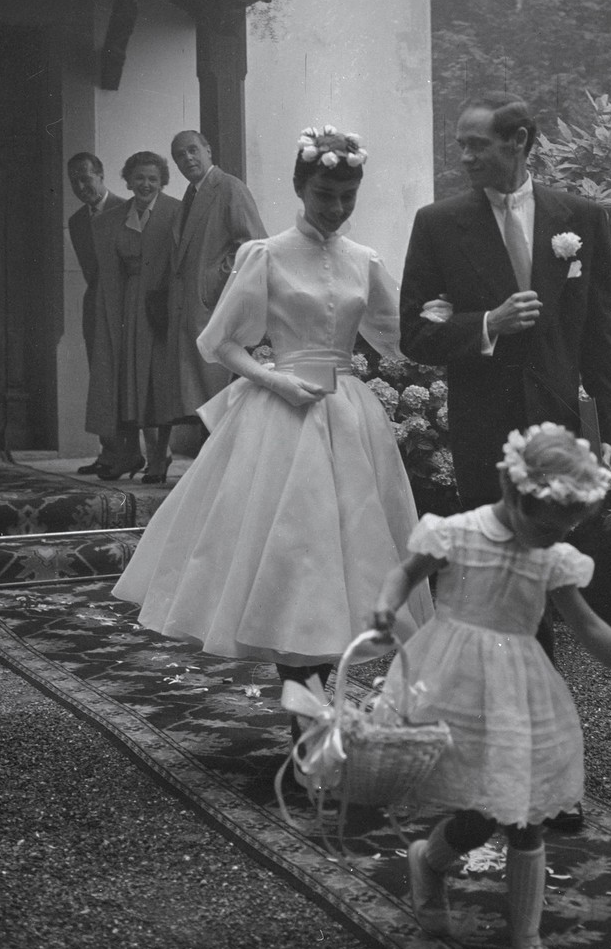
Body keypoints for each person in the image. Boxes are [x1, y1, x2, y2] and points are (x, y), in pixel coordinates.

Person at [112, 127, 433, 707]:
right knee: (294, 552)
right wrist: (272, 378)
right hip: (281, 414)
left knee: (348, 556)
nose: (335, 209)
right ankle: (304, 709)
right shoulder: (265, 254)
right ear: (298, 188)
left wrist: (458, 321)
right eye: (323, 196)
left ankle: (320, 709)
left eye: (346, 198)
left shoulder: (364, 260)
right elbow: (221, 344)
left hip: (349, 419)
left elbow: (400, 339)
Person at [400, 89, 611, 830]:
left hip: (557, 434)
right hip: (484, 435)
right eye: (461, 145)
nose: (463, 157)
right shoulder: (439, 223)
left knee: (541, 598)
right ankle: (519, 773)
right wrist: (487, 325)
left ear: (520, 141)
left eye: (477, 145)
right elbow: (414, 332)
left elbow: (598, 333)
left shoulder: (581, 220)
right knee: (502, 599)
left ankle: (535, 773)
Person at [372, 423, 611, 949]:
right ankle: (430, 859)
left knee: (525, 812)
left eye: (567, 528)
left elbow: (589, 627)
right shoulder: (457, 533)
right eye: (548, 525)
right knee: (480, 810)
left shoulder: (551, 555)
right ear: (513, 494)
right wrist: (385, 607)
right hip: (454, 686)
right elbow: (405, 573)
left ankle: (525, 937)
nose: (554, 539)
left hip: (520, 690)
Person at [163, 130, 266, 463]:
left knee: (218, 390)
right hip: (195, 310)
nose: (188, 159)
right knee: (202, 395)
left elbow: (253, 245)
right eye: (180, 155)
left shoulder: (229, 188)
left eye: (193, 150)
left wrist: (213, 279)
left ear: (208, 150)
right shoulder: (192, 195)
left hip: (218, 306)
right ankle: (212, 467)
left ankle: (226, 467)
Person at [85, 151, 180, 484]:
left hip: (160, 307)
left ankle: (160, 455)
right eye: (139, 177)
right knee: (130, 382)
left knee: (158, 382)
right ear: (127, 180)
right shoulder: (114, 217)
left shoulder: (175, 212)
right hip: (126, 306)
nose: (146, 184)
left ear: (162, 181)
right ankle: (136, 452)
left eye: (153, 178)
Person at [66, 153, 125, 474]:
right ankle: (109, 452)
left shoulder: (127, 209)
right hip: (96, 305)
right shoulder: (77, 221)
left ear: (101, 175)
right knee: (100, 378)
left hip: (125, 306)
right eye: (74, 181)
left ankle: (130, 454)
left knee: (126, 379)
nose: (80, 186)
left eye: (86, 178)